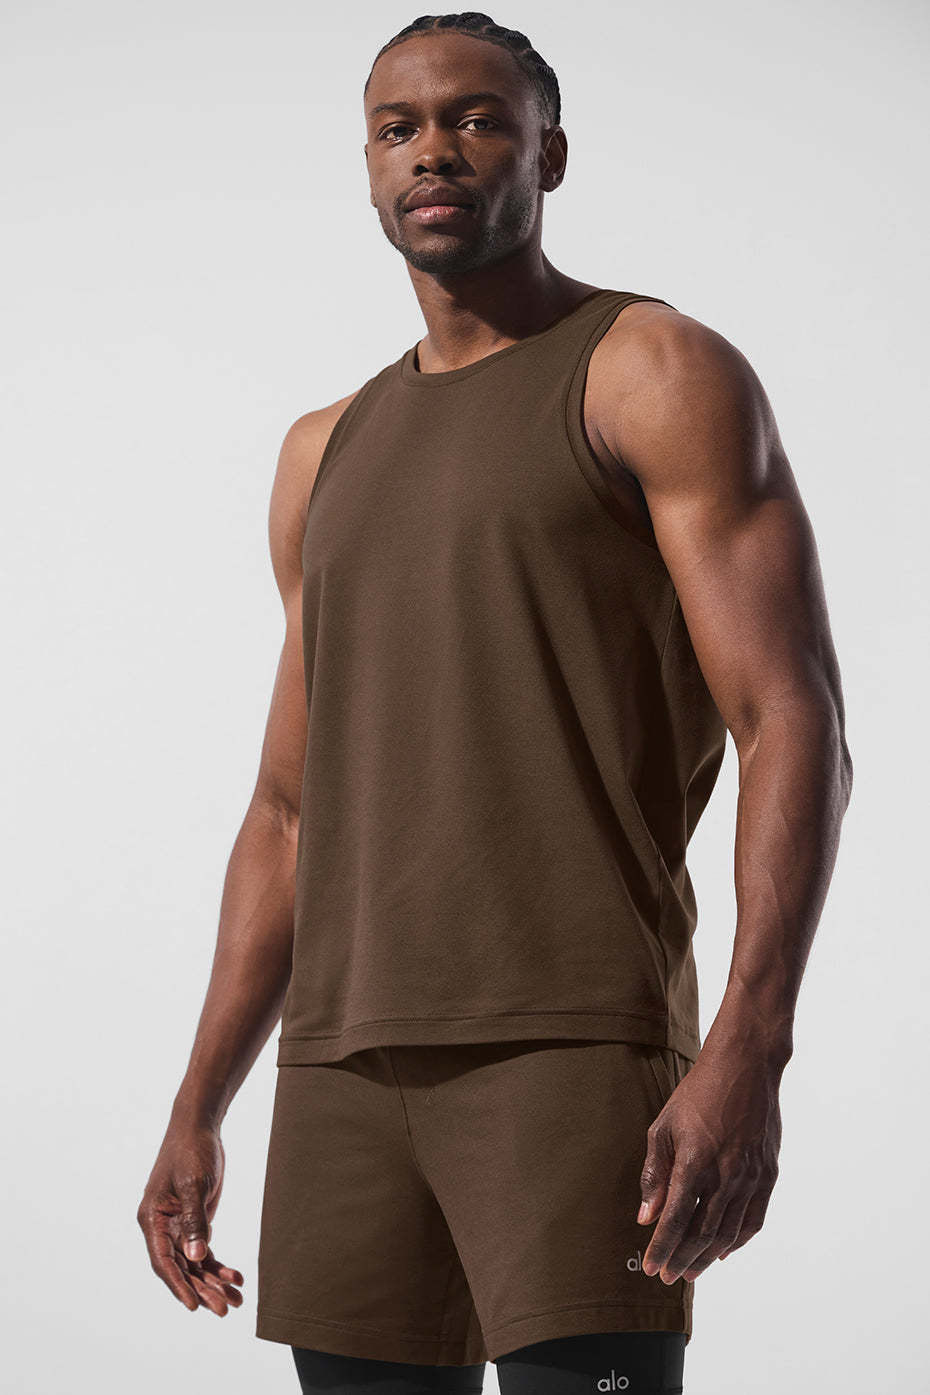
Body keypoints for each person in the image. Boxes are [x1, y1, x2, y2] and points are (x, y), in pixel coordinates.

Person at [137, 13, 853, 1393]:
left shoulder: (648, 369)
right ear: (367, 166)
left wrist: (750, 1044)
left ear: (548, 154)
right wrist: (199, 1102)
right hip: (342, 1061)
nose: (434, 152)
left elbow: (791, 717)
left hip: (570, 1043)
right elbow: (286, 811)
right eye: (398, 128)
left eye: (475, 119)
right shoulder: (322, 450)